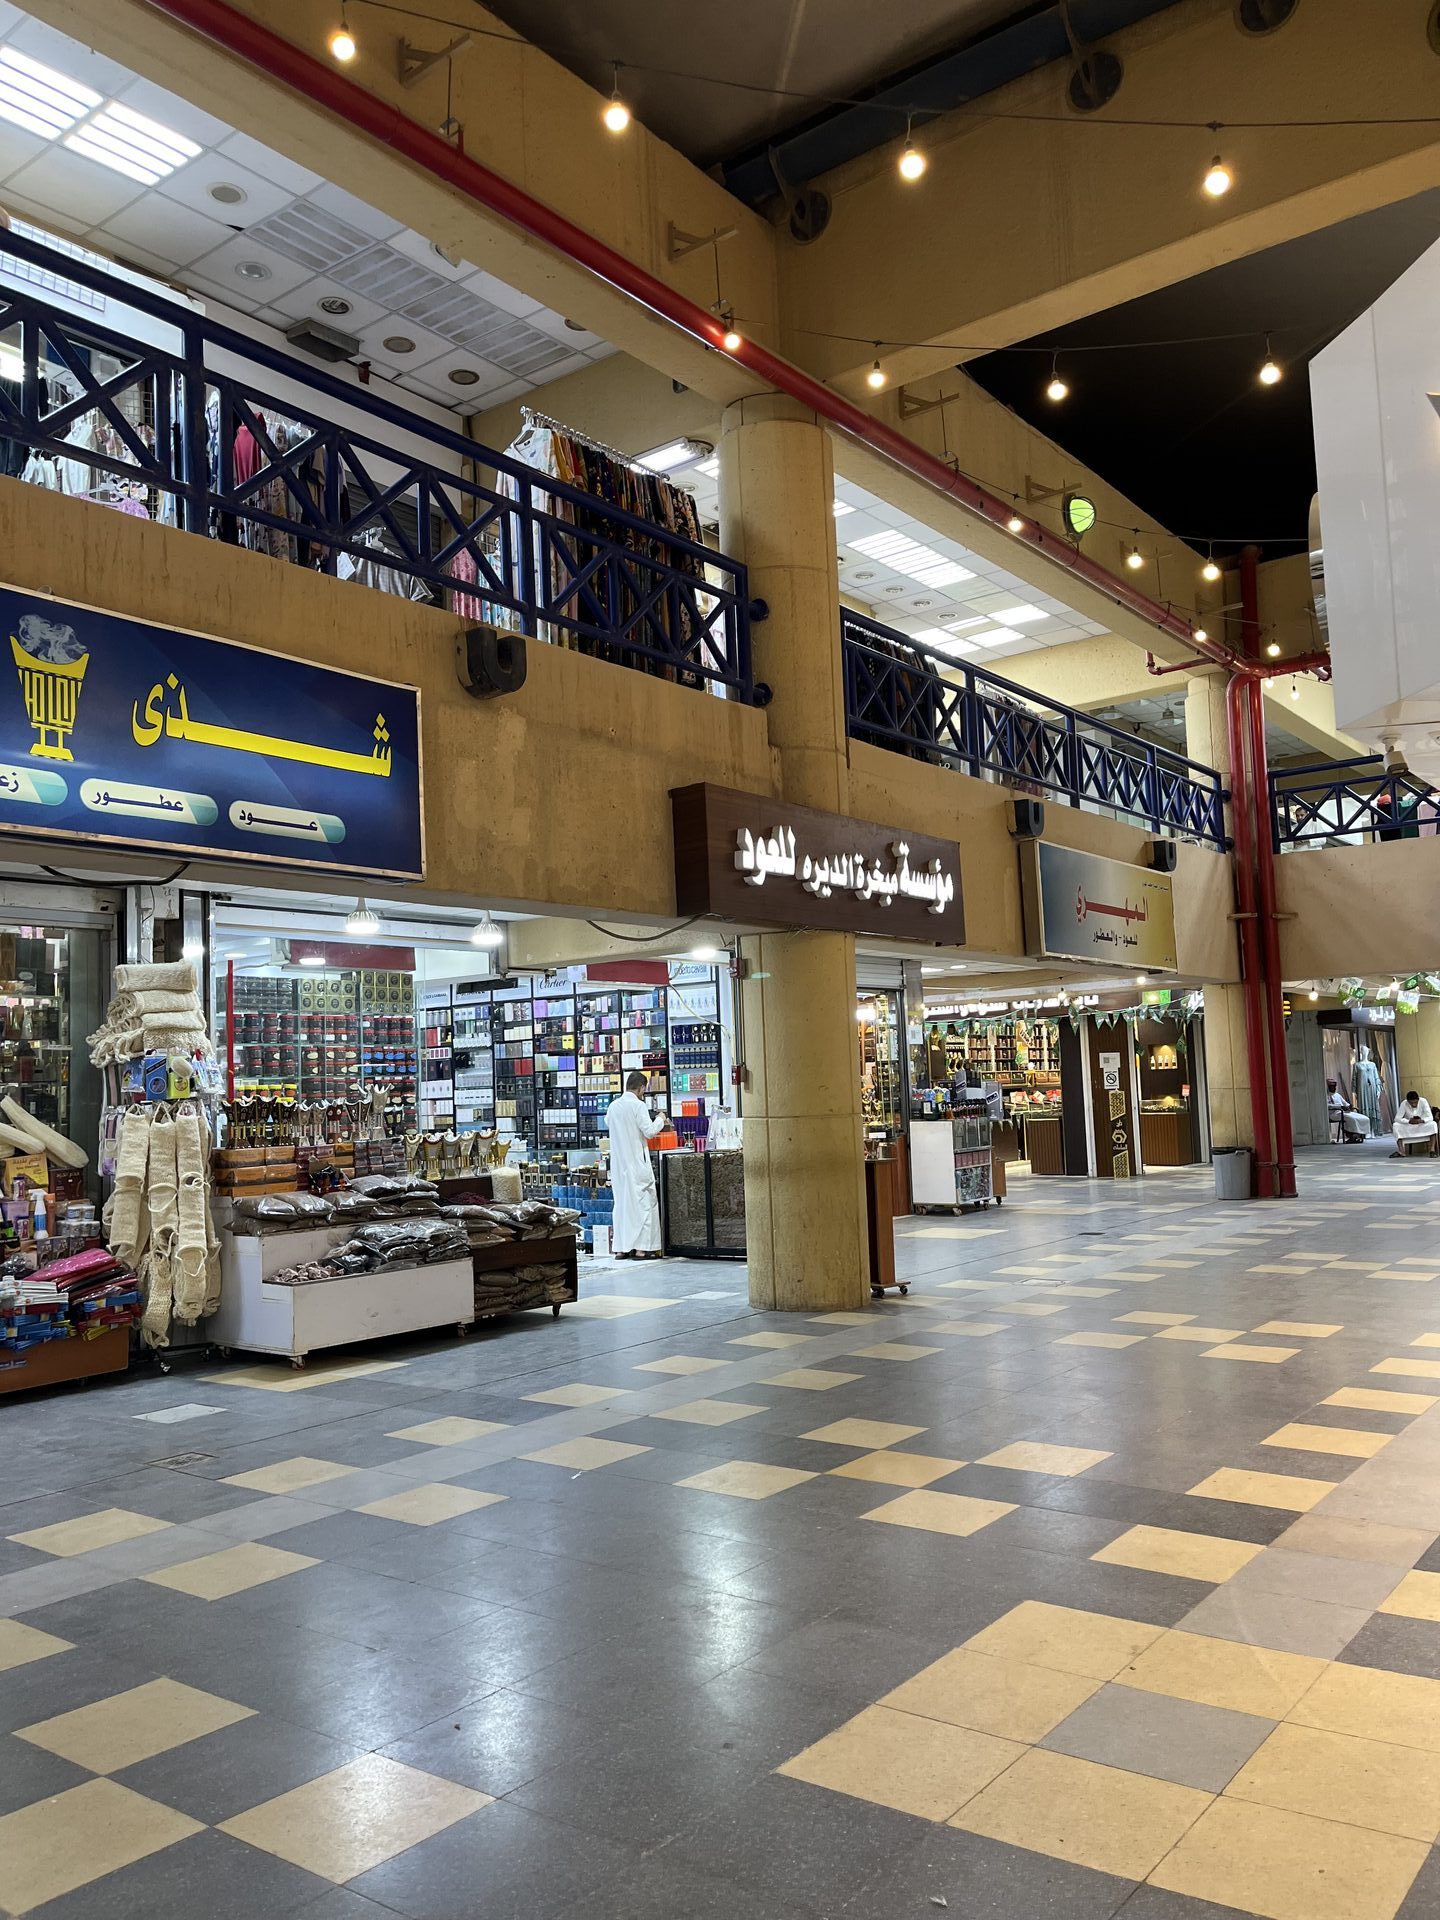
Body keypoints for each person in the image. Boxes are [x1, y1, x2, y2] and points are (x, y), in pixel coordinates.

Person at [604, 1070, 668, 1257]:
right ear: (641, 1088)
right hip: (637, 1164)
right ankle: (642, 1249)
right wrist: (661, 1119)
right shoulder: (638, 1106)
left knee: (623, 1206)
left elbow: (609, 1123)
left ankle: (622, 1248)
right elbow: (648, 1131)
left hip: (619, 1166)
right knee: (645, 1205)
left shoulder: (613, 1106)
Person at [1392, 1089, 1437, 1158]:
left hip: (1422, 1125)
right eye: (1411, 1103)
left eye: (1415, 1102)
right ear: (1408, 1101)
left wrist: (1422, 1120)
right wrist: (1408, 1121)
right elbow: (1397, 1118)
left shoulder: (1423, 1101)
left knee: (1433, 1124)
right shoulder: (1404, 1103)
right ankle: (1401, 1151)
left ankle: (1432, 1150)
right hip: (1409, 1125)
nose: (1414, 1104)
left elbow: (1430, 1117)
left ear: (1418, 1099)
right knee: (1395, 1125)